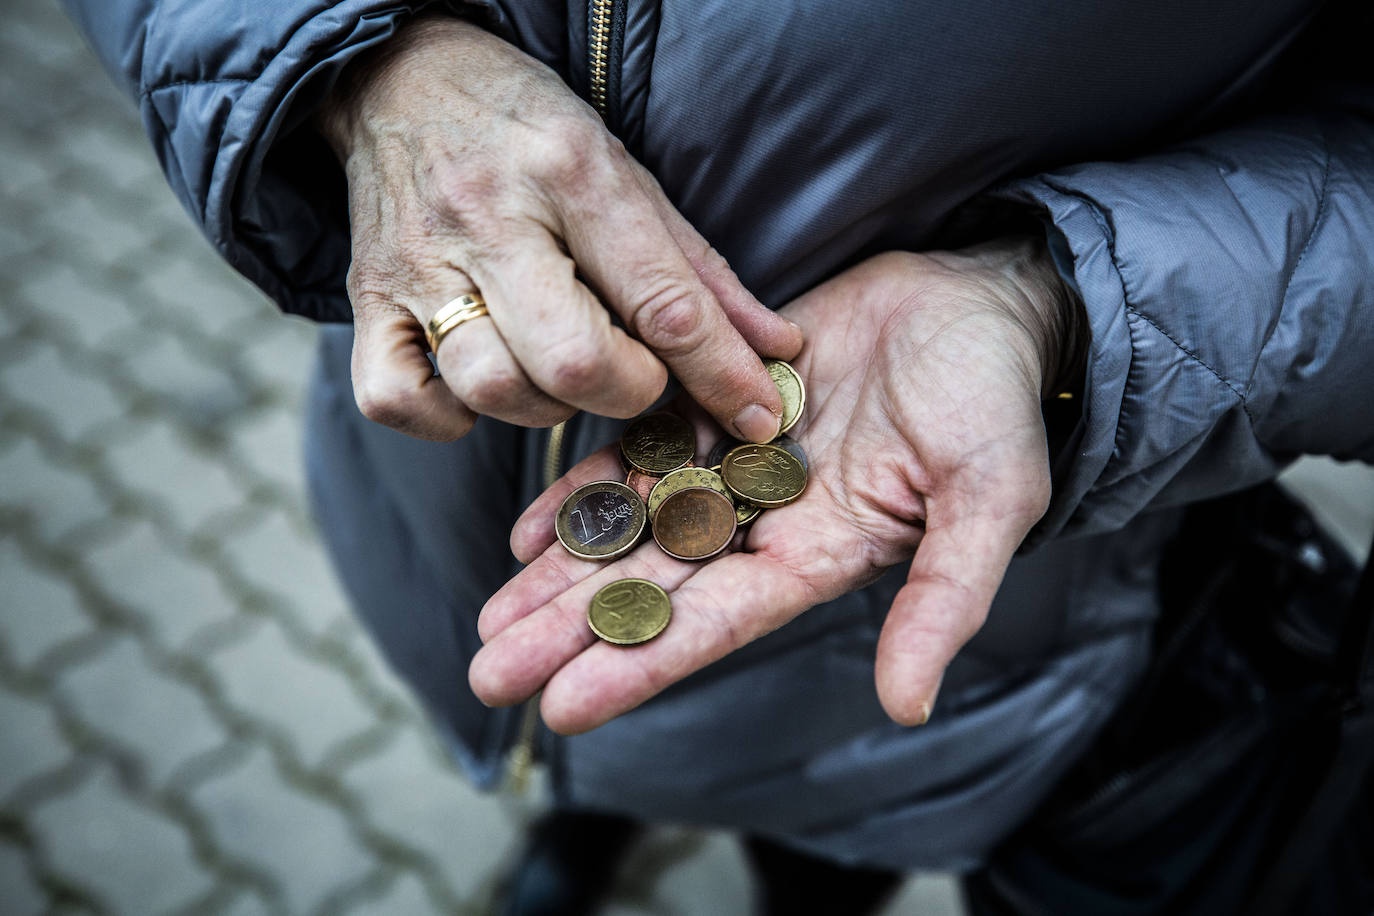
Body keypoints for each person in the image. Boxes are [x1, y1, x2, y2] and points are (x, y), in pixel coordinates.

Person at [60, 0, 1373, 911]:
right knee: (570, 710)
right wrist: (361, 65)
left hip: (912, 590)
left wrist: (1065, 304)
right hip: (446, 495)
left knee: (823, 837)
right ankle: (577, 824)